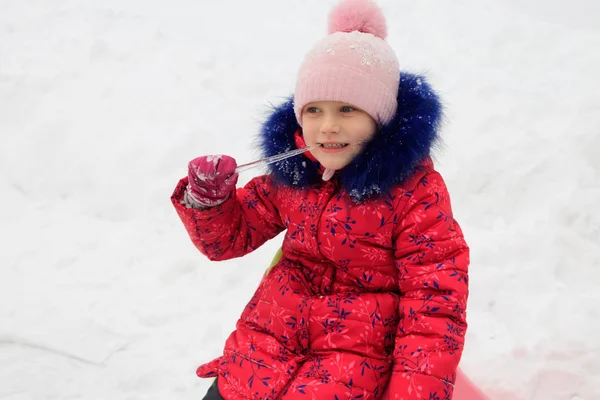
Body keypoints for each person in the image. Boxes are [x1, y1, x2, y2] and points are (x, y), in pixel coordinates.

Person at [171, 0, 470, 398]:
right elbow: (229, 238)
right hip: (263, 351)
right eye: (314, 110)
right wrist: (208, 202)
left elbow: (435, 306)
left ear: (380, 116)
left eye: (347, 109)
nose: (328, 126)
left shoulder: (414, 195)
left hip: (353, 367)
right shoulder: (294, 174)